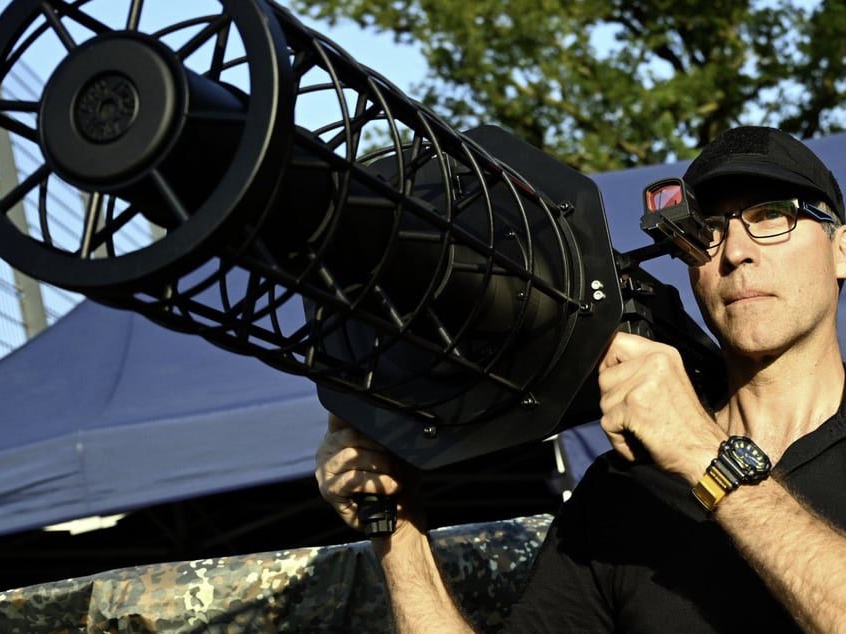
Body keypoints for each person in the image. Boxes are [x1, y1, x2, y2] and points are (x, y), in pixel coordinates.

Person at [315, 125, 846, 632]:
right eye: (707, 229)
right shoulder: (625, 490)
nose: (734, 251)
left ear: (840, 248)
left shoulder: (686, 450)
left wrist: (706, 455)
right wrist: (398, 533)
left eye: (773, 216)